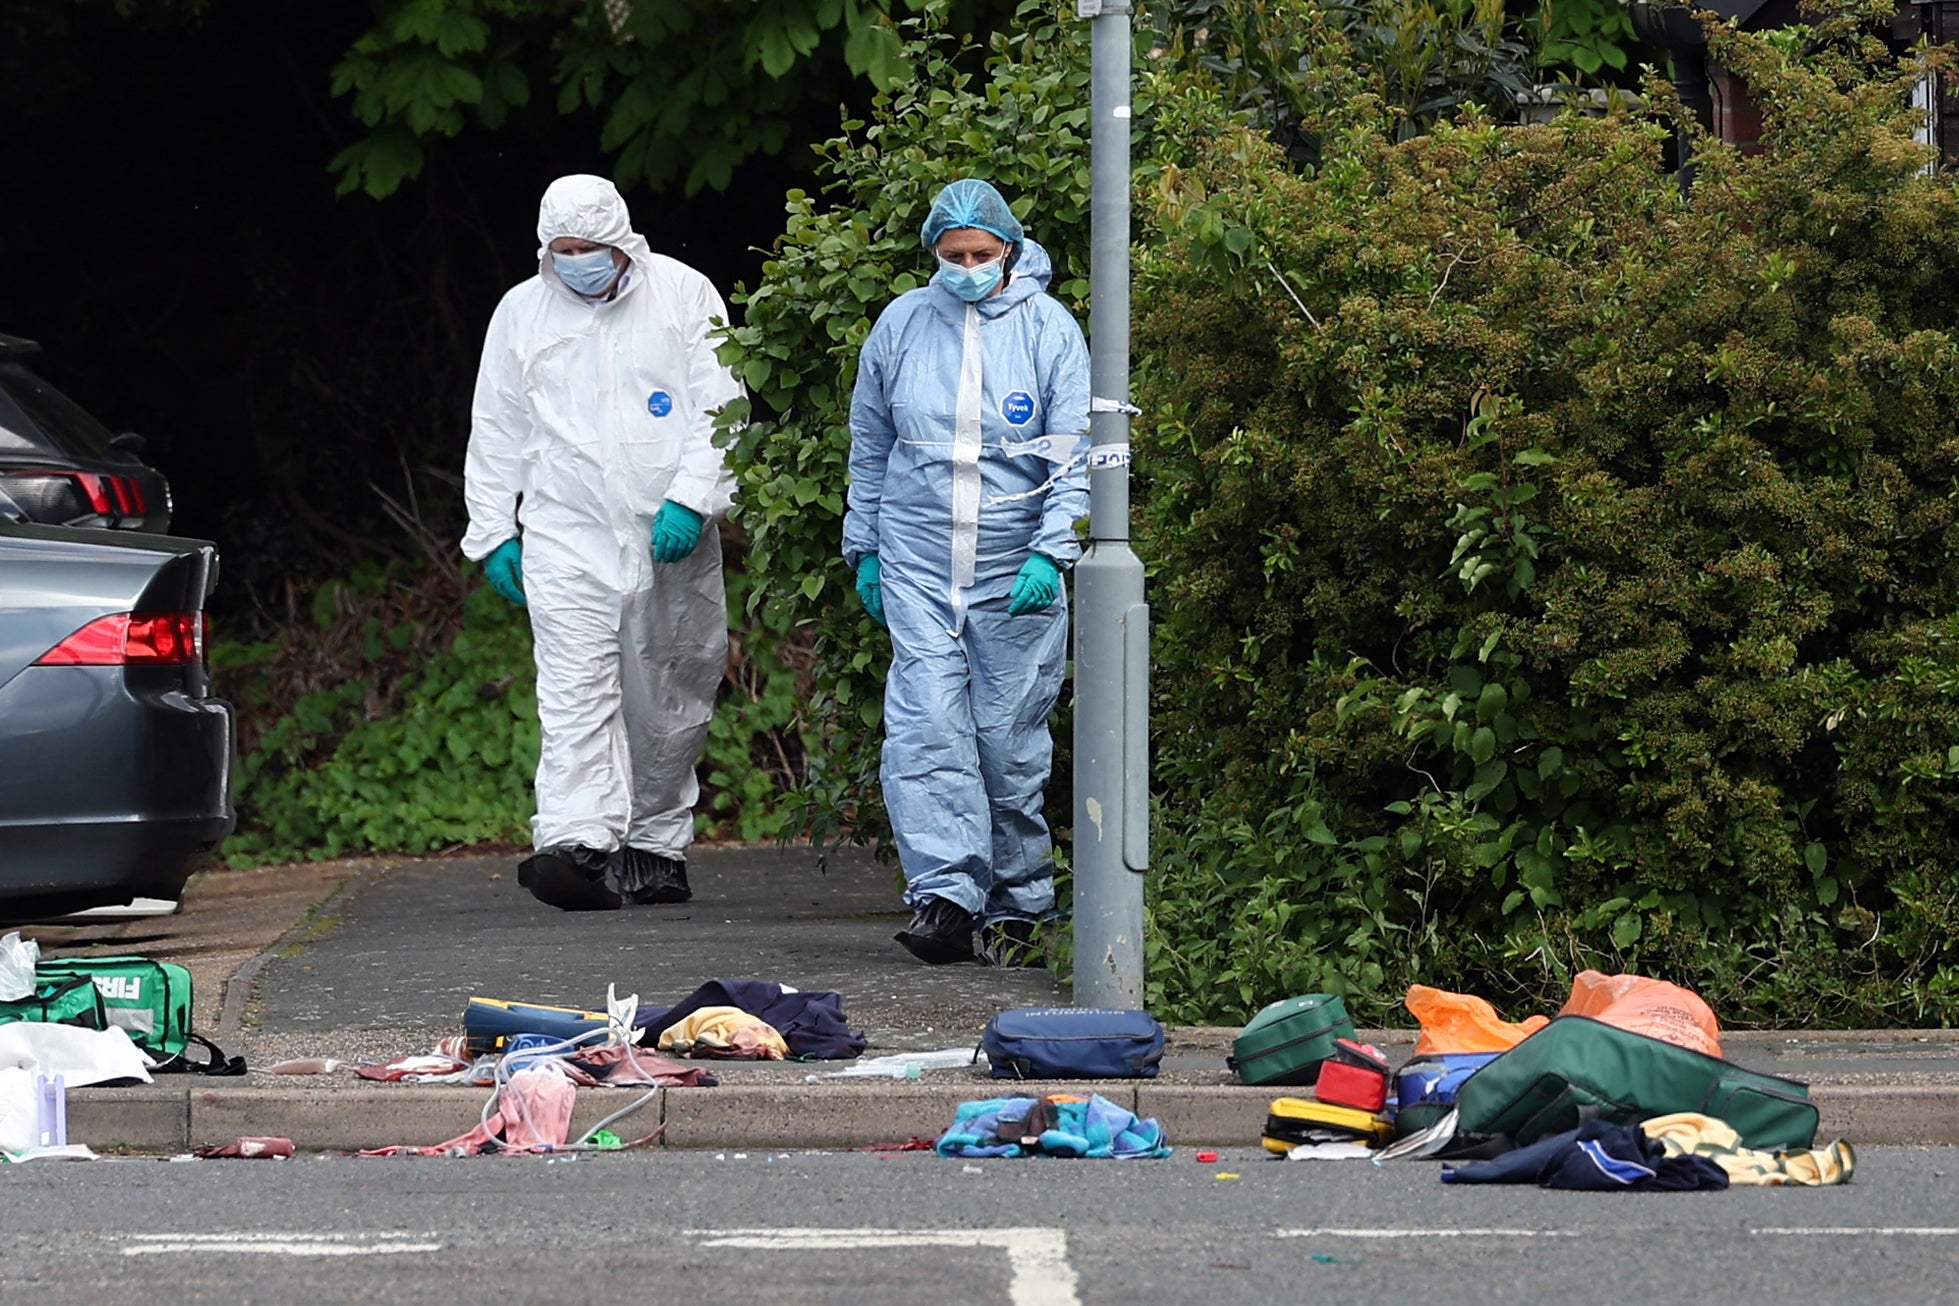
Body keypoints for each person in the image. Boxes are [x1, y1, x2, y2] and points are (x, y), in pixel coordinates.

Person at [462, 173, 739, 912]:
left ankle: (653, 843)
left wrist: (691, 497)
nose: (578, 260)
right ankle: (575, 842)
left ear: (621, 242)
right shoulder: (522, 313)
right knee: (574, 689)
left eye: (590, 247)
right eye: (564, 249)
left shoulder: (682, 295)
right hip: (565, 532)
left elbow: (723, 404)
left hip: (667, 533)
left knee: (668, 688)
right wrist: (493, 531)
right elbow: (497, 426)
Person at [843, 178, 1090, 966]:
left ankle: (1020, 902)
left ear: (1009, 251)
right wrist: (867, 547)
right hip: (916, 557)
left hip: (1011, 563)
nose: (966, 267)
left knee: (1005, 740)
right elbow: (871, 443)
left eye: (981, 254)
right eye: (951, 256)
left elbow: (1073, 452)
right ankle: (945, 897)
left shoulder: (1049, 331)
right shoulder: (903, 325)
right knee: (923, 730)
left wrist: (1052, 551)